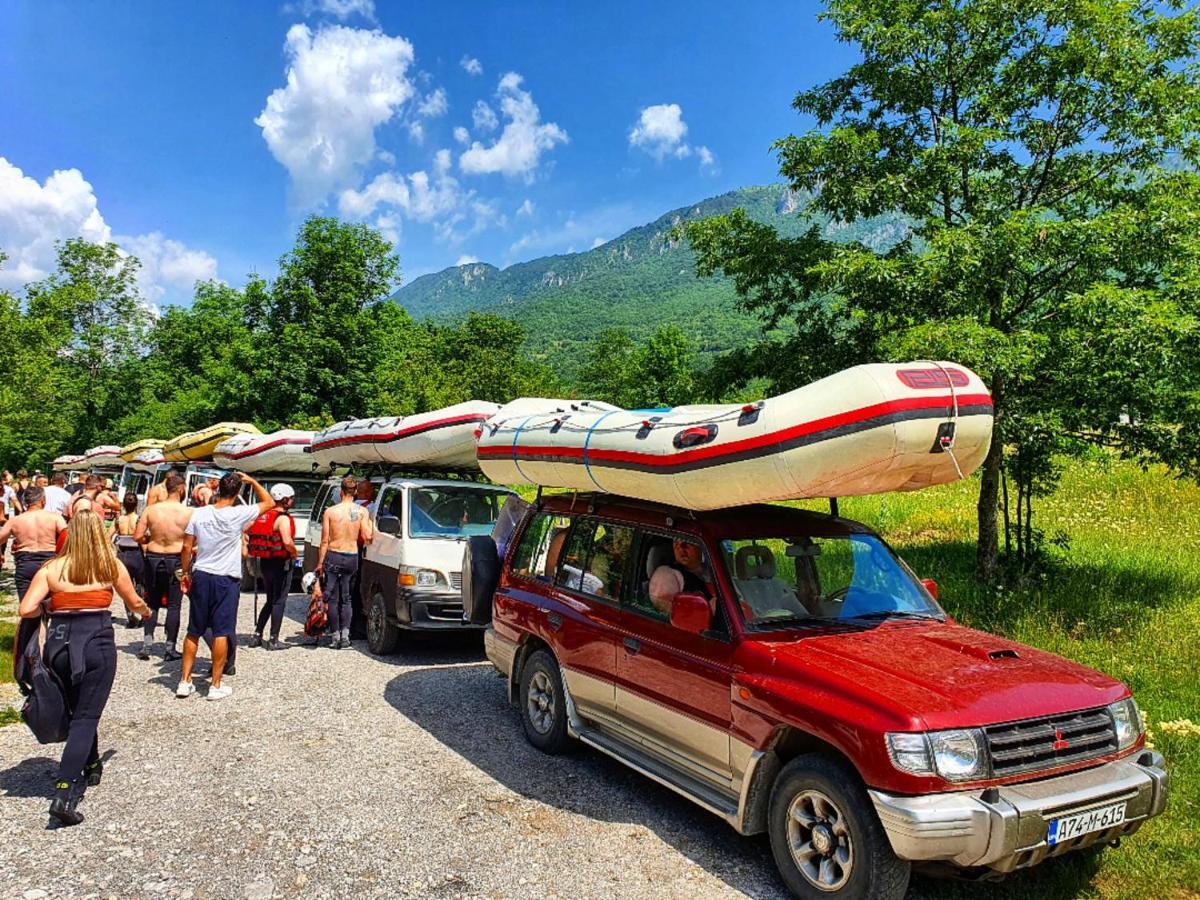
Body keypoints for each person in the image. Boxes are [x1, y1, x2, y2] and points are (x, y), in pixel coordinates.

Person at [18, 510, 153, 826]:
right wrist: (146, 612)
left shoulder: (51, 568)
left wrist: (52, 605)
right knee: (87, 716)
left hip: (59, 643)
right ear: (99, 535)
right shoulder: (109, 566)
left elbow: (26, 608)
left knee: (78, 708)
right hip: (96, 641)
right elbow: (133, 603)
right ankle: (64, 791)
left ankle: (92, 765)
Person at [177, 473, 274, 699]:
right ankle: (216, 684)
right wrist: (253, 481)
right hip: (226, 577)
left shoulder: (199, 513)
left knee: (194, 629)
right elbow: (269, 502)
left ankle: (185, 680)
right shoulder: (238, 513)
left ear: (218, 489)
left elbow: (186, 546)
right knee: (221, 630)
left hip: (201, 573)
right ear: (238, 492)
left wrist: (185, 572)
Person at [134, 473, 192, 661]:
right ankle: (170, 648)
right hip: (175, 558)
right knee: (174, 605)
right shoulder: (188, 512)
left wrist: (150, 539)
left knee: (152, 601)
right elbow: (192, 541)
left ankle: (147, 644)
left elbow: (137, 536)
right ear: (182, 489)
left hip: (153, 556)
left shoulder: (151, 510)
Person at [317, 475, 373, 649]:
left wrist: (320, 563)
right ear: (355, 492)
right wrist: (370, 522)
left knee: (333, 598)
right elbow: (367, 537)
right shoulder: (362, 511)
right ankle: (346, 636)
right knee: (347, 598)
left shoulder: (330, 512)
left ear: (341, 492)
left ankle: (334, 636)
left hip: (334, 554)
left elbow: (324, 541)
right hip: (351, 555)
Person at [248, 484, 298, 651]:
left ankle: (257, 634)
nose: (292, 501)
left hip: (265, 562)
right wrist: (294, 553)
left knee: (270, 599)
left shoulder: (262, 515)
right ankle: (273, 639)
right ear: (285, 500)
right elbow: (287, 541)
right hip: (280, 563)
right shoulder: (282, 518)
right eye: (291, 498)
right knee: (279, 600)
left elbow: (245, 530)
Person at [0, 487, 67, 602]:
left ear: (25, 502)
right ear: (43, 500)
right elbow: (67, 537)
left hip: (25, 563)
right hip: (49, 562)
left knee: (28, 605)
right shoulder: (55, 517)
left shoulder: (15, 521)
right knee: (50, 604)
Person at [649, 537, 717, 615]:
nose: (681, 548)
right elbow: (674, 615)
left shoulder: (714, 570)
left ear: (700, 546)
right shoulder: (667, 574)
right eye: (676, 543)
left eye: (688, 542)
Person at [113, 490, 147, 637]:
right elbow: (144, 537)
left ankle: (130, 616)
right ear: (137, 505)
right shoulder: (139, 519)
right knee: (139, 584)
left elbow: (108, 536)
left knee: (124, 585)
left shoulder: (118, 520)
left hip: (122, 554)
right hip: (136, 554)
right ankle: (140, 612)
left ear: (124, 505)